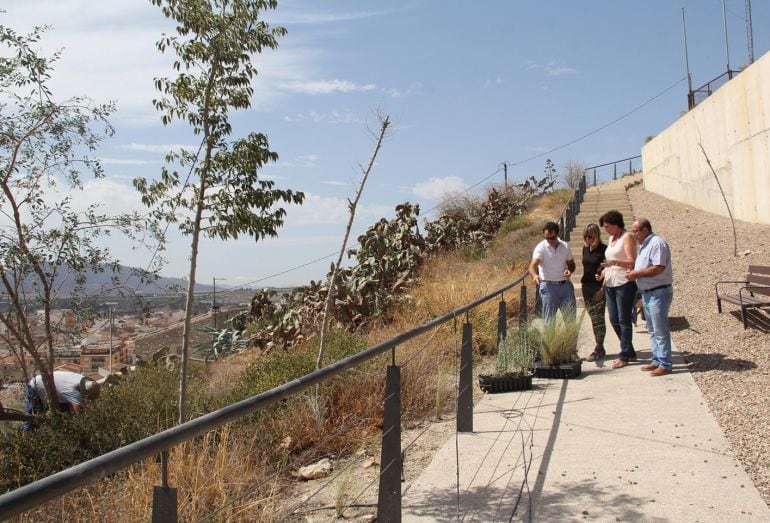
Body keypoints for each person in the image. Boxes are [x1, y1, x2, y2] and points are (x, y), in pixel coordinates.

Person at [627, 218, 674, 377]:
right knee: (652, 330)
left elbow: (658, 268)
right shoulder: (644, 246)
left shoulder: (657, 243)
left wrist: (636, 274)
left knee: (660, 330)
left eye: (636, 231)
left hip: (658, 292)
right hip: (647, 293)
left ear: (645, 230)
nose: (634, 234)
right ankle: (657, 360)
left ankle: (665, 363)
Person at [599, 210, 638, 369]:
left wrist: (614, 262)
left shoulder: (627, 237)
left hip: (624, 282)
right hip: (610, 282)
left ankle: (625, 354)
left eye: (607, 226)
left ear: (616, 224)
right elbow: (610, 259)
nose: (606, 229)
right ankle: (629, 349)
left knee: (623, 319)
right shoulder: (611, 238)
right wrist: (604, 271)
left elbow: (631, 261)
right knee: (614, 318)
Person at [529, 221, 576, 323]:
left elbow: (571, 264)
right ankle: (551, 339)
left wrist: (569, 270)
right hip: (548, 287)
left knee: (571, 320)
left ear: (557, 234)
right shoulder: (540, 248)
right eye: (547, 238)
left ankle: (571, 339)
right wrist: (535, 275)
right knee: (549, 322)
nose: (549, 240)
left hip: (565, 286)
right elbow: (532, 266)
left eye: (552, 238)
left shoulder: (565, 246)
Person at [23, 370, 101, 431]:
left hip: (55, 391)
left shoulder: (83, 379)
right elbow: (80, 415)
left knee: (64, 415)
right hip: (36, 388)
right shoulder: (73, 392)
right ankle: (25, 440)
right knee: (32, 419)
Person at [581, 223, 607, 361]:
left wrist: (602, 288)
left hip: (598, 287)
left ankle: (599, 347)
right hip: (586, 286)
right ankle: (600, 346)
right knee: (593, 317)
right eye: (584, 236)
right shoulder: (585, 249)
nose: (587, 239)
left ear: (596, 236)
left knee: (599, 318)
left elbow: (607, 270)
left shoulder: (604, 249)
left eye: (589, 236)